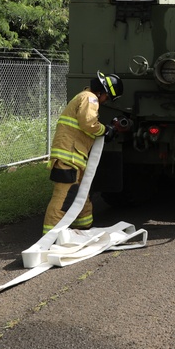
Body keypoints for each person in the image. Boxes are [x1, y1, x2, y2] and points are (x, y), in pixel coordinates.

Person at [43, 72, 123, 234]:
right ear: (101, 91)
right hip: (69, 156)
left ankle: (83, 227)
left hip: (74, 155)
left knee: (81, 194)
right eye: (107, 97)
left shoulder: (84, 97)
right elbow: (89, 123)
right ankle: (50, 237)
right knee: (64, 197)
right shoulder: (90, 98)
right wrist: (106, 131)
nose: (105, 100)